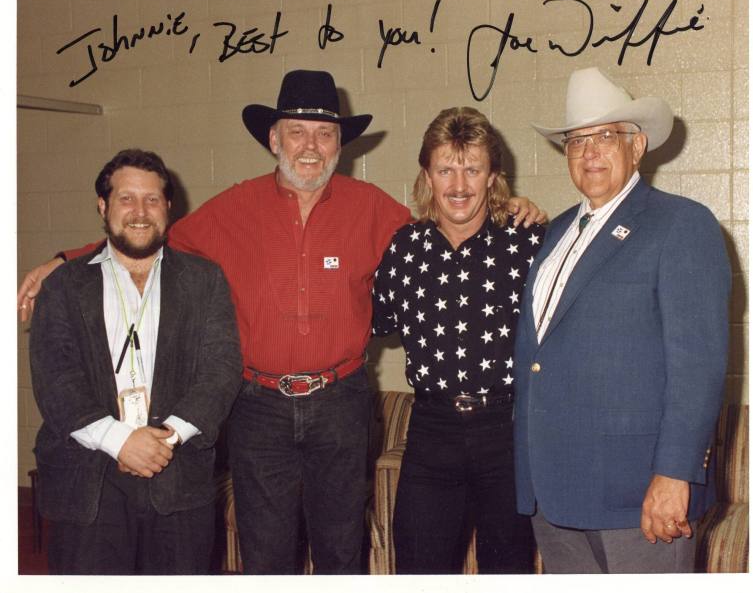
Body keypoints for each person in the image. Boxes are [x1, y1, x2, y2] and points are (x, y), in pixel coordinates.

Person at [17, 70, 543, 574]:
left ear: (341, 144)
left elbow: (451, 225)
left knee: (342, 551)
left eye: (324, 133)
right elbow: (146, 233)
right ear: (273, 139)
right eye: (297, 132)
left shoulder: (378, 212)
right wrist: (67, 259)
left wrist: (515, 207)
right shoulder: (231, 209)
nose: (310, 146)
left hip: (341, 404)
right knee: (266, 554)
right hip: (257, 408)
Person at [513, 67, 730, 573]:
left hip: (638, 496)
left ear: (637, 146)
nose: (589, 152)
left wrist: (675, 474)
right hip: (553, 491)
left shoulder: (682, 224)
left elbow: (697, 367)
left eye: (604, 137)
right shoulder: (556, 231)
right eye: (576, 140)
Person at [29, 149, 242, 574]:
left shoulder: (205, 280)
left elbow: (221, 371)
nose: (140, 212)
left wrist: (167, 438)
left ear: (168, 207)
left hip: (178, 476)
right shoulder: (64, 286)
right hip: (88, 478)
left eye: (151, 200)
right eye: (126, 199)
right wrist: (119, 440)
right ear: (103, 207)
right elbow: (55, 378)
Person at [372, 107, 543, 573]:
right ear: (427, 175)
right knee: (418, 568)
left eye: (473, 168)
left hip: (506, 431)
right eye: (446, 168)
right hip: (432, 432)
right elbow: (369, 322)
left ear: (493, 177)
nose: (459, 185)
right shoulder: (404, 249)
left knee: (508, 569)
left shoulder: (528, 243)